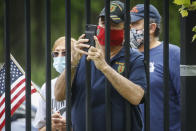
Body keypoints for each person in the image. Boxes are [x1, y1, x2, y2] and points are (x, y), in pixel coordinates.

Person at [54, 1, 147, 131]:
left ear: (126, 29)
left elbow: (137, 97)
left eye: (113, 24)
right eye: (103, 23)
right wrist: (72, 63)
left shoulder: (134, 58)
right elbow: (59, 95)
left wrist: (104, 67)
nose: (107, 28)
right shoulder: (82, 55)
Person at [130, 4, 180, 131]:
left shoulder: (173, 54)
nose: (129, 28)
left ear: (152, 27)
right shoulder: (125, 56)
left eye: (135, 23)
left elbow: (188, 101)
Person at [33, 37, 76, 131]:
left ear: (76, 56)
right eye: (56, 53)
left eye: (65, 53)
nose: (60, 56)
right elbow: (40, 129)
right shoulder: (48, 87)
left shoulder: (86, 83)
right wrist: (52, 126)